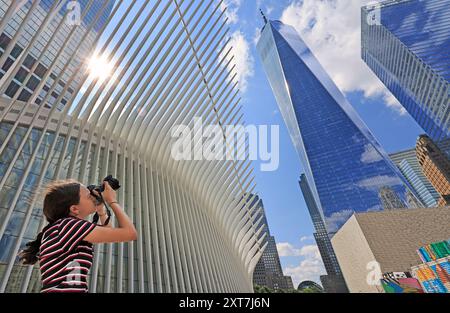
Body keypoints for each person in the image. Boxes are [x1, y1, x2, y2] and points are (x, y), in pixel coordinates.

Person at [18, 179, 137, 293]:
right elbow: (130, 233)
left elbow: (109, 232)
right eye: (88, 196)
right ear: (74, 209)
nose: (93, 197)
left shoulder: (64, 227)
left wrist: (101, 210)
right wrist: (112, 201)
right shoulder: (69, 226)